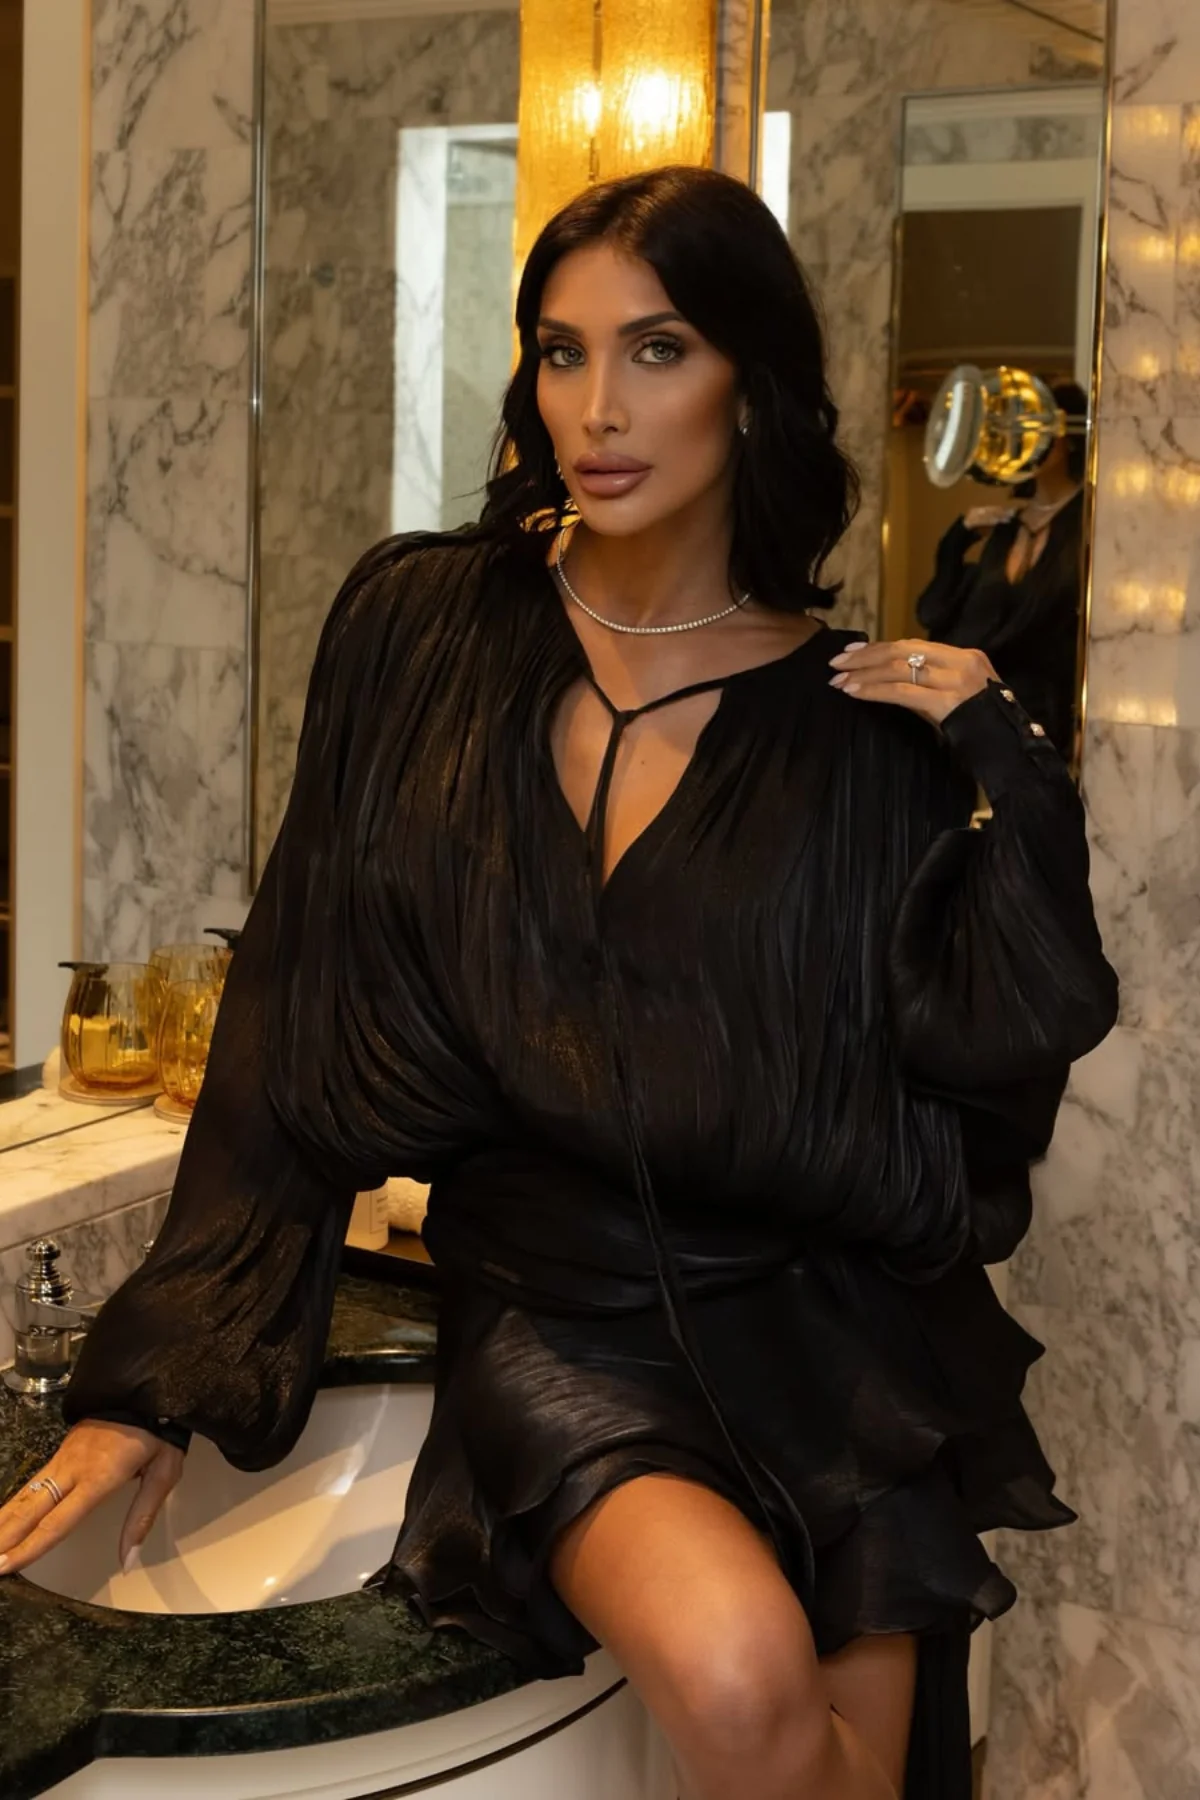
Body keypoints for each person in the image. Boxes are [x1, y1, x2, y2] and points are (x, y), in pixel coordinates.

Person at [0, 168, 1117, 1800]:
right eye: (561, 351)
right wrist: (159, 1375)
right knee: (740, 1683)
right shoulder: (425, 629)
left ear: (752, 380)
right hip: (563, 1320)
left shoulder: (856, 727)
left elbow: (995, 1053)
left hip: (830, 1330)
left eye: (658, 350)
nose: (599, 408)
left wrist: (1003, 756)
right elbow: (292, 997)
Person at [914, 381, 1088, 759]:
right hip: (978, 719)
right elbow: (933, 612)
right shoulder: (1006, 525)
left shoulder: (1087, 523)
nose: (1028, 442)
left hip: (1046, 727)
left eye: (1039, 430)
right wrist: (957, 538)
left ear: (1068, 436)